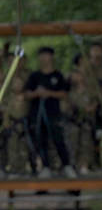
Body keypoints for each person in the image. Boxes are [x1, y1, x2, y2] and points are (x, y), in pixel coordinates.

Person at [23, 47, 76, 179]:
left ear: (52, 57)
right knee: (40, 140)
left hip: (54, 113)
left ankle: (66, 166)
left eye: (46, 55)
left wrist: (49, 93)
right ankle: (45, 167)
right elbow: (27, 94)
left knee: (59, 139)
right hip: (37, 114)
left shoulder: (58, 75)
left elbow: (64, 93)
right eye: (41, 56)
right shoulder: (34, 76)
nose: (44, 58)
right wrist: (37, 93)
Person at [66, 54, 99, 175]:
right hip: (73, 121)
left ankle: (84, 165)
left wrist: (92, 107)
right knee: (73, 143)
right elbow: (67, 105)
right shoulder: (69, 91)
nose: (79, 77)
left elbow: (96, 100)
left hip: (87, 121)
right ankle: (72, 165)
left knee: (87, 143)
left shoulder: (90, 89)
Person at [2, 54, 33, 178]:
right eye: (10, 61)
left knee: (24, 146)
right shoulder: (5, 78)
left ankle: (23, 169)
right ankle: (13, 169)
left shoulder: (28, 76)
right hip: (9, 119)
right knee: (11, 146)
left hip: (24, 118)